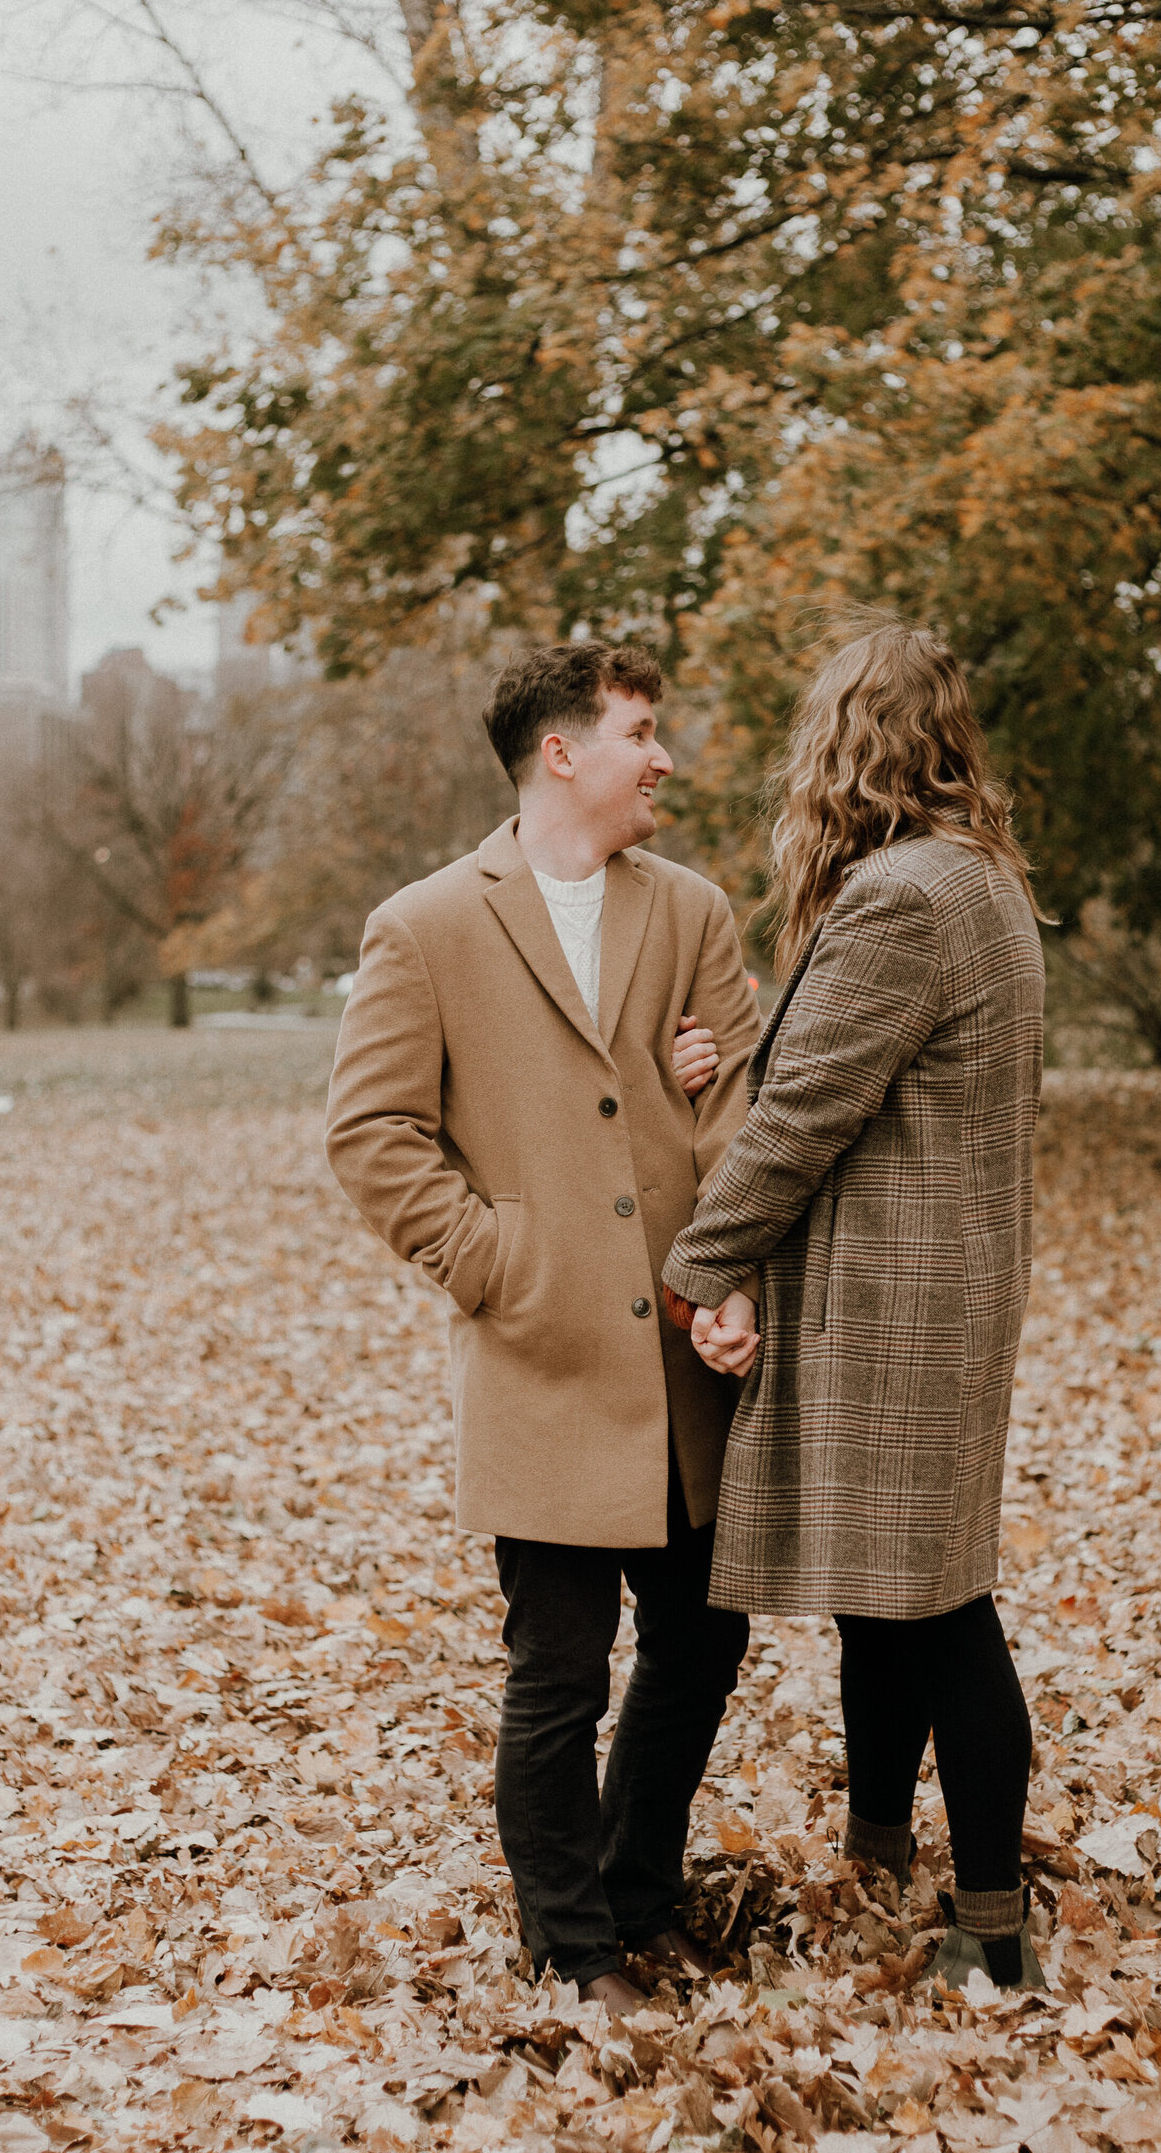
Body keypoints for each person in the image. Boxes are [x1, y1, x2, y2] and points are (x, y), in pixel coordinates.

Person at [325, 641, 761, 2015]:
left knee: (698, 1651)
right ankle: (573, 1949)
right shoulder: (430, 925)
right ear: (561, 752)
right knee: (559, 1677)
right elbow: (371, 1135)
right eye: (642, 729)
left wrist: (735, 1276)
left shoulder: (693, 910)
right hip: (541, 1363)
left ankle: (642, 1898)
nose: (665, 756)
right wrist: (498, 1262)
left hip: (688, 1363)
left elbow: (741, 1105)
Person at [661, 621, 1047, 1992]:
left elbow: (806, 1117)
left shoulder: (899, 897)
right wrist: (736, 1056)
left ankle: (992, 1932)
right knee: (893, 1592)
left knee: (939, 1608)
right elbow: (830, 1061)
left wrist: (697, 1266)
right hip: (950, 1287)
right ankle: (880, 1858)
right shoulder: (978, 882)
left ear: (844, 744)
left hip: (898, 1301)